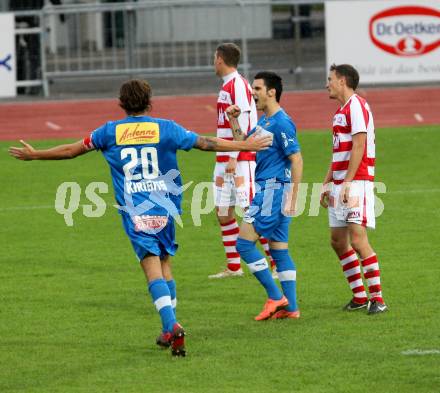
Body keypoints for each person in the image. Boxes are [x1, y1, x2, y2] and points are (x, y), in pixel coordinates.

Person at [8, 79, 272, 356]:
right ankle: (171, 324)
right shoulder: (166, 128)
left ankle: (171, 325)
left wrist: (36, 154)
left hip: (136, 211)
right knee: (164, 262)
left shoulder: (108, 132)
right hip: (167, 208)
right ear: (149, 100)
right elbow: (205, 143)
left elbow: (71, 150)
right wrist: (245, 145)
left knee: (151, 269)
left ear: (122, 103)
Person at [227, 71, 303, 320]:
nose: (253, 93)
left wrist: (293, 195)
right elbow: (244, 145)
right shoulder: (265, 122)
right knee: (279, 250)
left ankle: (275, 297)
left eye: (257, 88)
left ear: (272, 92)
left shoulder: (281, 122)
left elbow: (296, 158)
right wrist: (234, 121)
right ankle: (291, 308)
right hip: (274, 191)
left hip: (272, 191)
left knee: (243, 244)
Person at [320, 64, 388, 314]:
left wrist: (347, 182)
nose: (327, 84)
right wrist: (327, 182)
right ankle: (360, 297)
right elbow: (339, 151)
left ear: (343, 81)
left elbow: (359, 145)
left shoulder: (357, 106)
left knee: (358, 241)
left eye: (330, 79)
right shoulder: (340, 112)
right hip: (340, 183)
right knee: (338, 241)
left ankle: (378, 299)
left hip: (356, 182)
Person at [210, 42, 274, 279]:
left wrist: (235, 155)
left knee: (251, 211)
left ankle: (275, 264)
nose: (213, 62)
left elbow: (246, 122)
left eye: (214, 57)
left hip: (240, 159)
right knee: (223, 212)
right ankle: (234, 267)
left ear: (220, 59)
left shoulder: (238, 85)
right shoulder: (228, 85)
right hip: (224, 157)